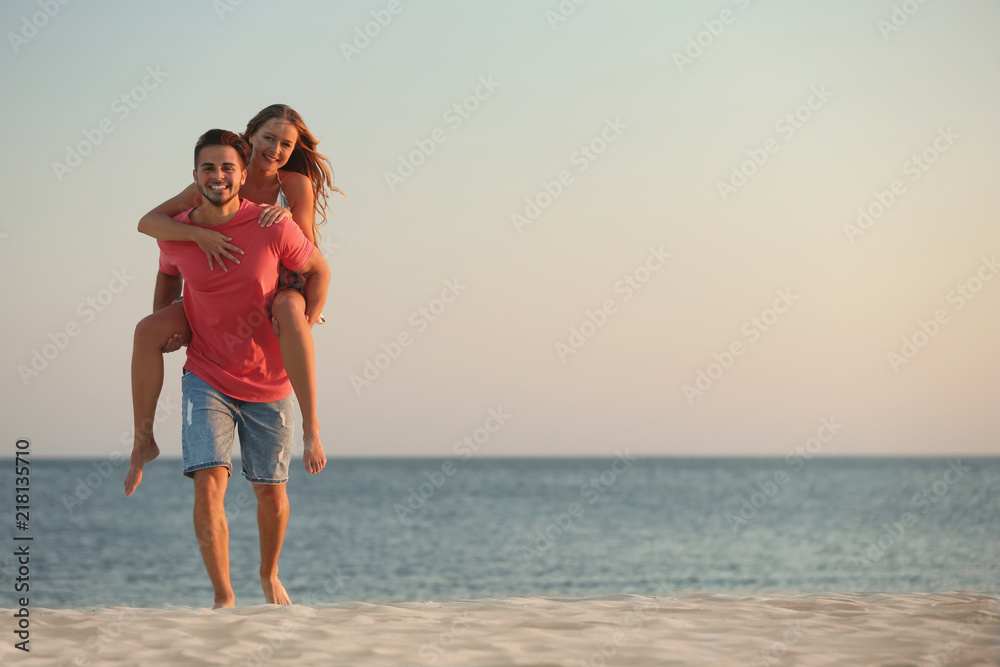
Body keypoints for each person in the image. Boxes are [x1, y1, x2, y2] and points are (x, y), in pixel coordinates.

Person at [125, 104, 341, 496]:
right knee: (147, 331)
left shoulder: (293, 184)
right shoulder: (214, 182)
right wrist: (197, 236)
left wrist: (282, 220)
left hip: (279, 283)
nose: (275, 149)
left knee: (289, 308)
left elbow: (309, 255)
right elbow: (149, 223)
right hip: (217, 296)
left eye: (286, 144)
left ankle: (312, 428)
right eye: (268, 138)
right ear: (250, 137)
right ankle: (143, 439)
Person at [156, 129, 330, 607]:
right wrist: (167, 322)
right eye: (209, 169)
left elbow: (318, 264)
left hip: (269, 373)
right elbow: (164, 260)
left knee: (271, 493)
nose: (218, 175)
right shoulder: (189, 217)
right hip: (206, 373)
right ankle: (223, 598)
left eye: (225, 168)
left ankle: (269, 574)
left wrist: (308, 315)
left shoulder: (279, 212)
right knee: (209, 483)